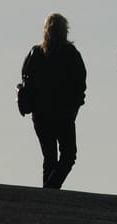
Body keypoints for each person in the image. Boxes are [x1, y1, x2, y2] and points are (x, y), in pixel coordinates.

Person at [21, 13, 87, 189]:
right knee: (68, 155)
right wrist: (75, 107)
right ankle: (50, 189)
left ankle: (47, 193)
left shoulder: (36, 53)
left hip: (40, 114)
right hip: (63, 114)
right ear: (64, 30)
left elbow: (26, 80)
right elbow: (80, 84)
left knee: (49, 157)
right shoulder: (71, 54)